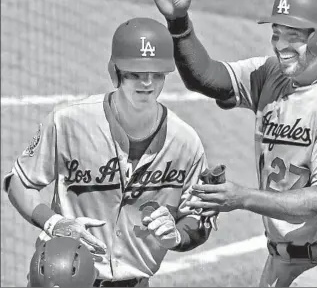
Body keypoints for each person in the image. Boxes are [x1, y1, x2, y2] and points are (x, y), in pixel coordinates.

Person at [143, 0, 317, 287]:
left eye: (293, 36)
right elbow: (208, 78)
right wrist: (178, 22)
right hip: (279, 263)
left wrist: (242, 198)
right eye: (276, 34)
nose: (280, 46)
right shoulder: (270, 74)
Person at [3, 17, 213, 287]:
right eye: (135, 73)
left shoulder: (185, 142)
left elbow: (199, 218)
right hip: (63, 278)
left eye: (155, 73)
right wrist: (54, 223)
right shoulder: (68, 122)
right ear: (115, 71)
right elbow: (20, 183)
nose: (146, 83)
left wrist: (177, 236)